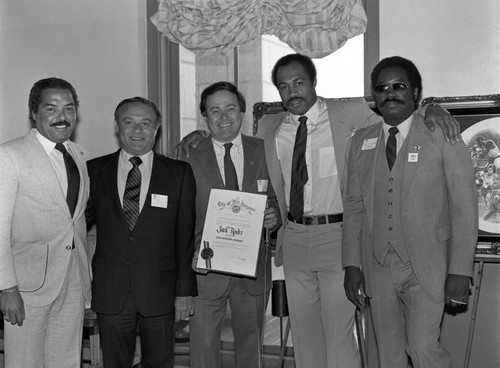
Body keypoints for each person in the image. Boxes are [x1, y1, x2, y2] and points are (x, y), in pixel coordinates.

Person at [174, 53, 460, 368]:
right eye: (283, 86)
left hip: (338, 237)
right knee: (305, 336)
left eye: (299, 82)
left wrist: (431, 107)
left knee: (338, 333)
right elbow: (234, 148)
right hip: (293, 237)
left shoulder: (349, 113)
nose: (292, 92)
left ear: (313, 82)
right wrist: (198, 137)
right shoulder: (269, 126)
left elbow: (396, 111)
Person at [342, 56, 478, 367]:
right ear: (373, 97)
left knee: (422, 349)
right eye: (382, 88)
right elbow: (354, 207)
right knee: (388, 355)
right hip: (378, 267)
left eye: (398, 86)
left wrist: (461, 270)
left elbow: (464, 206)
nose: (390, 93)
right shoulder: (360, 142)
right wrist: (351, 263)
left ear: (415, 92)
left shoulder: (441, 133)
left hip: (427, 265)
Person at [86, 97, 197, 367]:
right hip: (112, 290)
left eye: (145, 123)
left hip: (160, 290)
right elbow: (75, 226)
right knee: (114, 363)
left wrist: (184, 292)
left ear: (157, 128)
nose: (137, 130)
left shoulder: (179, 173)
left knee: (159, 363)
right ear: (117, 127)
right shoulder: (93, 170)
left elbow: (185, 237)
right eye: (129, 122)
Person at [181, 82, 280, 368]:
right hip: (204, 269)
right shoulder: (187, 155)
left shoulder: (265, 151)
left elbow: (277, 198)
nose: (223, 117)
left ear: (242, 112)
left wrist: (274, 214)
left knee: (251, 348)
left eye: (230, 109)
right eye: (215, 111)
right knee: (203, 348)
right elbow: (179, 216)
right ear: (204, 116)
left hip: (252, 270)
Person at [0, 77, 92, 367]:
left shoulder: (78, 154)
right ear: (34, 113)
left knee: (66, 360)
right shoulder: (9, 156)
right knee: (24, 361)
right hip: (26, 287)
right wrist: (7, 288)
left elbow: (73, 221)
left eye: (69, 108)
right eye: (51, 109)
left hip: (72, 281)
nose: (62, 117)